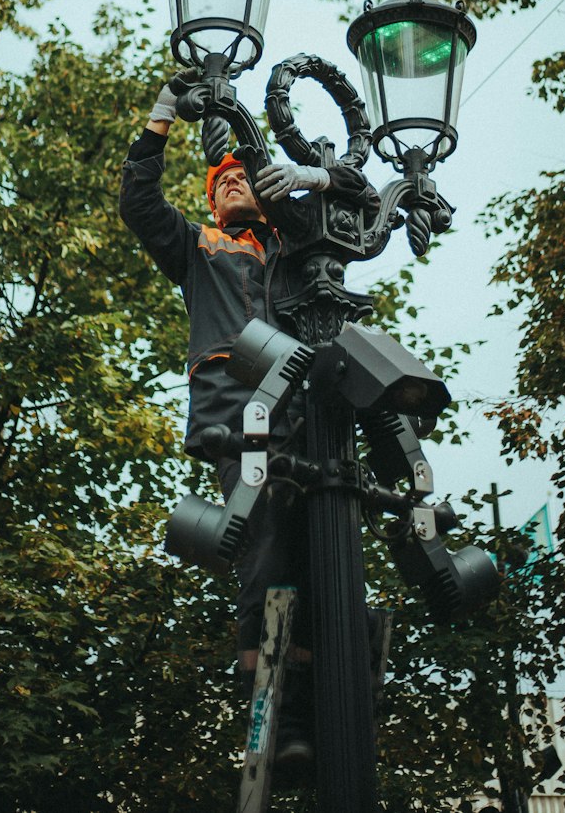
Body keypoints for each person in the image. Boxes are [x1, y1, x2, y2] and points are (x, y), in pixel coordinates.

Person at [119, 78, 376, 773]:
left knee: (328, 564)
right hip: (243, 423)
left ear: (267, 189)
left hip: (312, 423)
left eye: (243, 174)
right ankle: (278, 709)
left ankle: (335, 703)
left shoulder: (296, 256)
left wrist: (312, 173)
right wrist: (165, 113)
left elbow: (360, 201)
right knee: (264, 557)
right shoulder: (201, 249)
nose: (231, 181)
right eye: (220, 179)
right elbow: (138, 203)